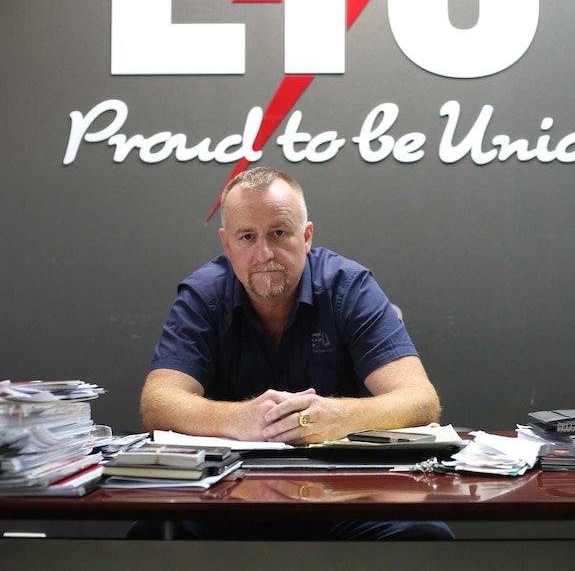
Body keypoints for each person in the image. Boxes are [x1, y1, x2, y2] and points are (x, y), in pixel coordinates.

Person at [133, 166, 453, 540]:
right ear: (226, 244)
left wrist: (339, 416)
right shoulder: (204, 295)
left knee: (424, 533)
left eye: (279, 233)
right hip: (229, 497)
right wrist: (238, 420)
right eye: (247, 236)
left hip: (344, 496)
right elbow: (157, 403)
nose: (264, 252)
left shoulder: (349, 287)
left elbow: (421, 401)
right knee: (152, 534)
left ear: (306, 236)